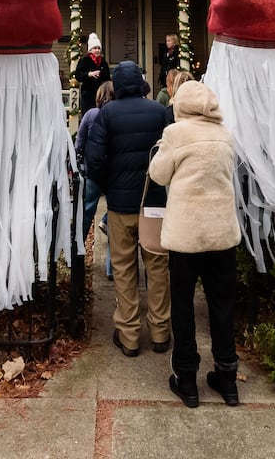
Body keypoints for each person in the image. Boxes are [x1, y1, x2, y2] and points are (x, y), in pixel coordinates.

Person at [149, 80, 241, 408]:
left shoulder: (176, 133)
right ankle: (227, 377)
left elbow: (159, 175)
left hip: (186, 235)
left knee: (184, 306)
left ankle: (187, 379)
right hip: (221, 234)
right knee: (222, 305)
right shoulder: (225, 135)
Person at [85, 60, 172, 358]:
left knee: (124, 267)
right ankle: (161, 332)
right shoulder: (160, 112)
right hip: (154, 203)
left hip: (121, 206)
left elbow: (93, 160)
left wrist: (109, 186)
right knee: (158, 266)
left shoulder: (107, 114)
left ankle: (129, 333)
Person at [74, 80, 115, 277]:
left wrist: (77, 162)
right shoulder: (117, 115)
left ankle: (77, 254)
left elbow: (79, 142)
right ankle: (111, 267)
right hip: (114, 173)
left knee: (86, 212)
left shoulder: (91, 114)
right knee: (115, 215)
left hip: (92, 171)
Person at [73, 33, 110, 116]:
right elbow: (78, 75)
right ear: (90, 50)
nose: (97, 50)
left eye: (98, 48)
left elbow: (107, 77)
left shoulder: (103, 62)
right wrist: (89, 74)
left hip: (102, 94)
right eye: (95, 48)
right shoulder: (84, 61)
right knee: (88, 115)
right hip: (88, 94)